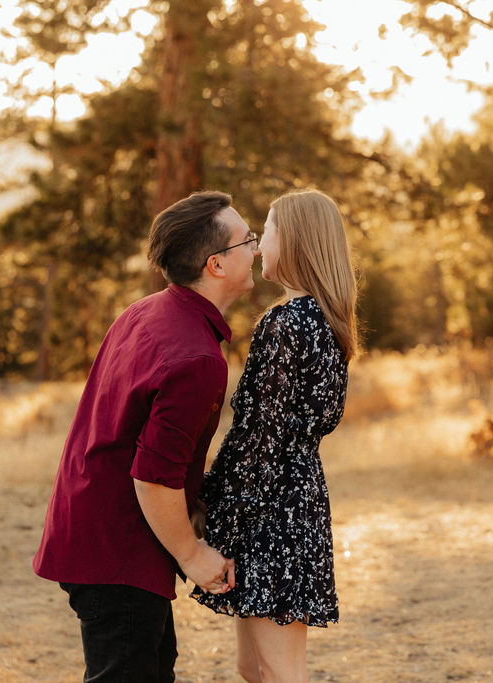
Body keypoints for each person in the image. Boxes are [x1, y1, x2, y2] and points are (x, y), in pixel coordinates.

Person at [32, 190, 260, 682]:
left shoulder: (147, 311)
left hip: (98, 535)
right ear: (216, 264)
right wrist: (192, 555)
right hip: (117, 550)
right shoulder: (196, 359)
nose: (257, 250)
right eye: (248, 240)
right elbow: (153, 476)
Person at [192, 189, 359, 683]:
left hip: (270, 509)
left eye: (266, 232)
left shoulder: (286, 325)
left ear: (297, 241)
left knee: (281, 671)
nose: (260, 246)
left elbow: (258, 438)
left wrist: (219, 511)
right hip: (298, 496)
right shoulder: (325, 323)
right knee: (254, 668)